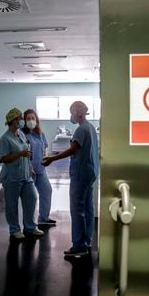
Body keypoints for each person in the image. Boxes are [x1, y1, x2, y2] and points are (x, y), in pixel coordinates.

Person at [42, 101, 99, 257]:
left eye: (72, 112)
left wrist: (52, 159)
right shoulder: (91, 128)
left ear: (78, 112)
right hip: (90, 173)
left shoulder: (81, 129)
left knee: (77, 209)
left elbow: (73, 149)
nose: (71, 115)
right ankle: (87, 241)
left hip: (81, 175)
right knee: (87, 208)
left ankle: (79, 245)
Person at [0, 107, 45, 241]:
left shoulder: (21, 134)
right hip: (12, 177)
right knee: (12, 205)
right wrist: (20, 154)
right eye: (19, 119)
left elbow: (27, 152)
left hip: (26, 175)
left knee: (32, 199)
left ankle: (30, 227)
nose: (22, 121)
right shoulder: (5, 138)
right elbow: (4, 158)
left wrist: (30, 168)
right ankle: (14, 229)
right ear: (13, 121)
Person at [22, 109, 55, 226]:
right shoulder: (22, 135)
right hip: (28, 171)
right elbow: (23, 153)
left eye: (33, 118)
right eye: (28, 118)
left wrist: (46, 157)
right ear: (24, 121)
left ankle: (43, 218)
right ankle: (28, 224)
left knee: (47, 191)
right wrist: (29, 167)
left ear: (36, 120)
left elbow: (44, 148)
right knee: (30, 197)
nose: (31, 120)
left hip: (40, 169)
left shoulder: (40, 133)